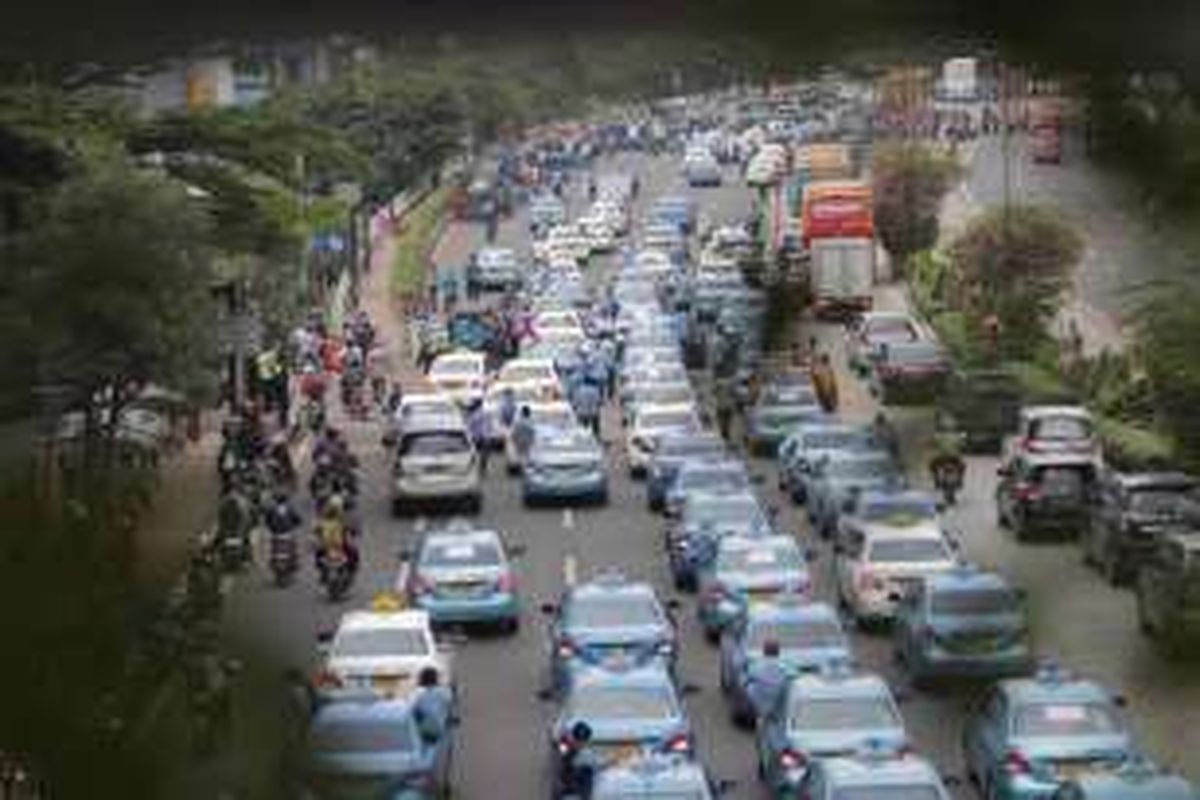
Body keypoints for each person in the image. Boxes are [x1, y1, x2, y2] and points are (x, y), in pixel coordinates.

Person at [744, 639, 790, 719]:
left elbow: (748, 676)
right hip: (777, 702)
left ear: (764, 651)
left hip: (760, 702)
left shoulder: (757, 665)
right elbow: (793, 675)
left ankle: (759, 715)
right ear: (778, 652)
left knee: (748, 685)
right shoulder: (784, 665)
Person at [560, 721, 603, 797]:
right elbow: (563, 750)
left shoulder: (586, 753)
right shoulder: (566, 745)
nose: (579, 743)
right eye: (577, 740)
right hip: (576, 772)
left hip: (585, 776)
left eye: (582, 741)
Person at [412, 667, 455, 742]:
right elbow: (450, 700)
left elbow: (415, 710)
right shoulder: (443, 692)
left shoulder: (418, 693)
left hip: (426, 727)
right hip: (439, 727)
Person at [466, 400, 491, 474]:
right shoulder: (485, 413)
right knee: (484, 453)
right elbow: (488, 425)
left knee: (475, 453)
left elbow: (470, 426)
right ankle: (482, 467)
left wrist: (471, 435)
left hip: (477, 436)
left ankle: (472, 466)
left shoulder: (473, 414)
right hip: (484, 436)